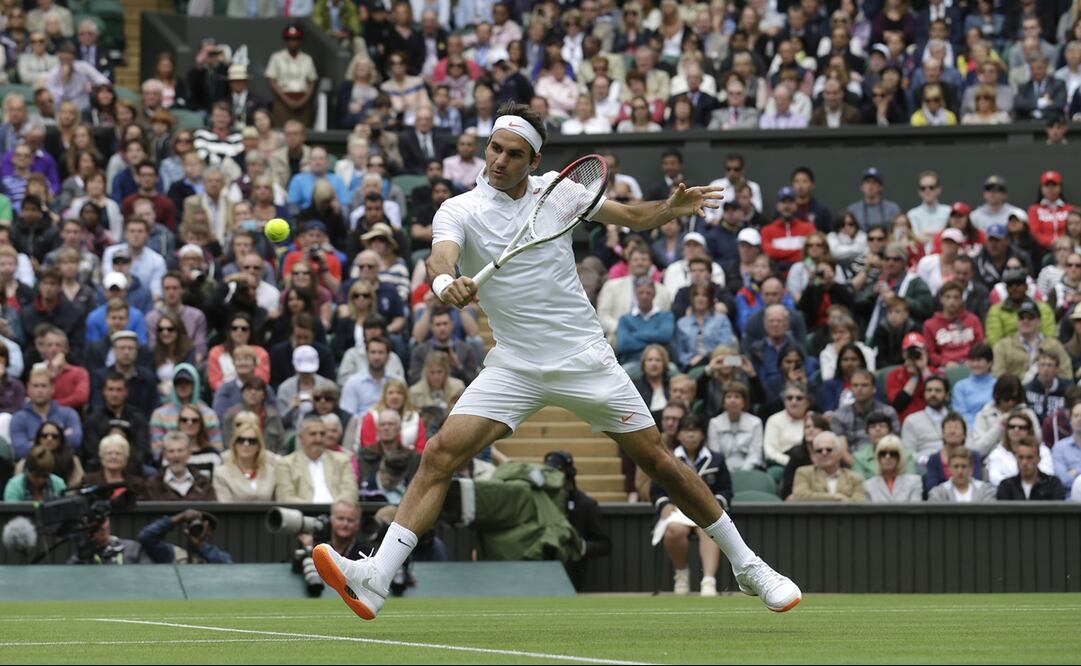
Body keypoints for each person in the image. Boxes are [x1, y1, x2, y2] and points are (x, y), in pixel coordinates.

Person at [313, 101, 801, 619]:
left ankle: (748, 566)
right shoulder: (458, 209)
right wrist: (443, 283)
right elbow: (441, 257)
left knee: (660, 462)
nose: (499, 160)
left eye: (513, 154)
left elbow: (633, 217)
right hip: (514, 364)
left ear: (533, 160)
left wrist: (670, 208)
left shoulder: (560, 192)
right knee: (438, 455)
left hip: (584, 358)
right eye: (494, 148)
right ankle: (377, 576)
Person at [651, 413, 732, 597]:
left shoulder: (717, 459)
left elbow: (726, 490)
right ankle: (681, 574)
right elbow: (656, 490)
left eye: (695, 430)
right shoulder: (667, 458)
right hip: (677, 512)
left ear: (702, 434)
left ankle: (709, 581)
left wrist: (716, 503)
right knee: (674, 530)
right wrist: (664, 505)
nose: (690, 435)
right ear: (678, 434)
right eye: (686, 430)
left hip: (707, 512)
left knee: (710, 530)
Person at [274, 413, 359, 503]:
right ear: (301, 437)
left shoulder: (342, 461)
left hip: (337, 510)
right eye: (313, 434)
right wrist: (313, 508)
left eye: (322, 434)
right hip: (301, 511)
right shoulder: (286, 464)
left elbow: (350, 493)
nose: (318, 439)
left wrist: (334, 508)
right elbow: (285, 498)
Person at [789, 431, 865, 502]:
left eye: (829, 450)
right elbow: (800, 496)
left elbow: (859, 504)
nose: (824, 453)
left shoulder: (854, 478)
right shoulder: (804, 473)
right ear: (814, 456)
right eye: (819, 450)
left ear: (839, 454)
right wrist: (835, 497)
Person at [212, 423, 278, 502]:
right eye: (241, 440)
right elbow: (225, 505)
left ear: (259, 446)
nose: (246, 444)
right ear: (234, 445)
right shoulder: (221, 474)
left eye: (252, 441)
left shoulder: (271, 472)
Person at [706, 381, 763, 472]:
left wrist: (743, 472)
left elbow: (755, 454)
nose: (733, 401)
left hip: (750, 470)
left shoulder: (755, 422)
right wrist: (727, 471)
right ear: (723, 402)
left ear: (744, 402)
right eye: (729, 397)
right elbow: (715, 453)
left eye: (737, 397)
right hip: (722, 469)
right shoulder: (715, 423)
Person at [145, 431, 218, 501]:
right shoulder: (153, 485)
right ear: (165, 455)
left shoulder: (202, 483)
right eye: (171, 451)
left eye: (180, 450)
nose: (176, 456)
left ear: (189, 453)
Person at [996, 436, 1067, 501]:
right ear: (1016, 458)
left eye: (1029, 457)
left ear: (1038, 459)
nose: (1024, 462)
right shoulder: (1006, 486)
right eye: (1020, 457)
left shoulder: (1053, 484)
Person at [863, 435, 923, 503]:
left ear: (900, 457)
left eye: (893, 453)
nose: (887, 457)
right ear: (878, 457)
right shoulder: (868, 486)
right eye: (883, 453)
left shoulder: (914, 482)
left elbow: (915, 508)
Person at [950, 344, 996, 427]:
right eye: (972, 360)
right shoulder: (960, 387)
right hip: (969, 429)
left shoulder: (998, 385)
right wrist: (977, 428)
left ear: (990, 363)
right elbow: (960, 413)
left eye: (979, 360)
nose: (975, 364)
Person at [927, 448, 996, 502]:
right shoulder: (938, 493)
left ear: (971, 468)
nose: (960, 471)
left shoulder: (985, 491)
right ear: (949, 468)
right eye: (956, 466)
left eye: (964, 466)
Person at [1052, 401, 1081, 497]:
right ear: (1070, 419)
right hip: (1069, 502)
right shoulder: (1059, 447)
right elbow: (1062, 480)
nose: (1079, 419)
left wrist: (1076, 471)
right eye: (1076, 415)